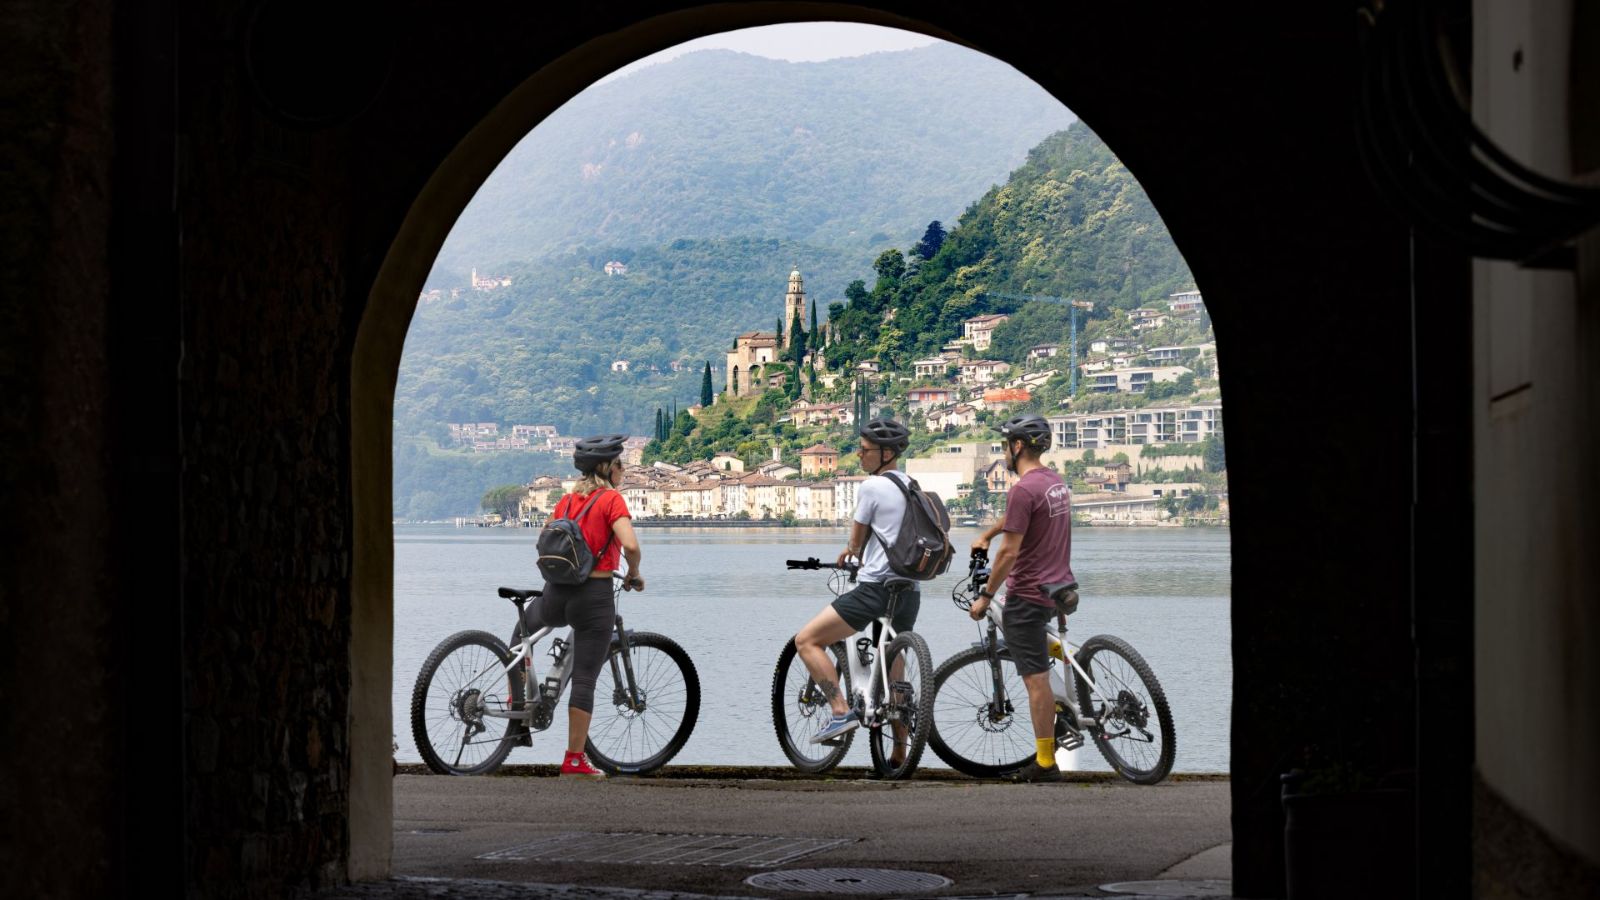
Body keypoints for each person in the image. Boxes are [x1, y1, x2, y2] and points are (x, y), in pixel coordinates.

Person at [794, 418, 920, 762]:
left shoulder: (872, 487)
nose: (860, 455)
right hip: (908, 589)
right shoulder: (912, 484)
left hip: (875, 589)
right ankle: (898, 752)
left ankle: (839, 711)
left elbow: (855, 542)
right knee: (893, 661)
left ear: (887, 453)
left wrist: (849, 553)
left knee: (806, 640)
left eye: (865, 450)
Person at [525, 433, 644, 779]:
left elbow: (544, 539)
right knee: (585, 678)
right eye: (620, 464)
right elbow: (631, 546)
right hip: (593, 597)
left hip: (555, 595)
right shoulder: (611, 500)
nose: (623, 469)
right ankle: (574, 760)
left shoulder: (565, 502)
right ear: (607, 468)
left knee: (521, 635)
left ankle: (518, 704)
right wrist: (633, 573)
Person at [967, 413, 1076, 783]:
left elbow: (1009, 554)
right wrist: (989, 532)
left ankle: (1045, 763)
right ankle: (1070, 672)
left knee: (1035, 681)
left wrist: (986, 595)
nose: (1004, 452)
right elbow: (1020, 519)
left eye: (1005, 446)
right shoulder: (1053, 483)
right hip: (1058, 585)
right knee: (1042, 656)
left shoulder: (1022, 490)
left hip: (1027, 594)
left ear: (1016, 447)